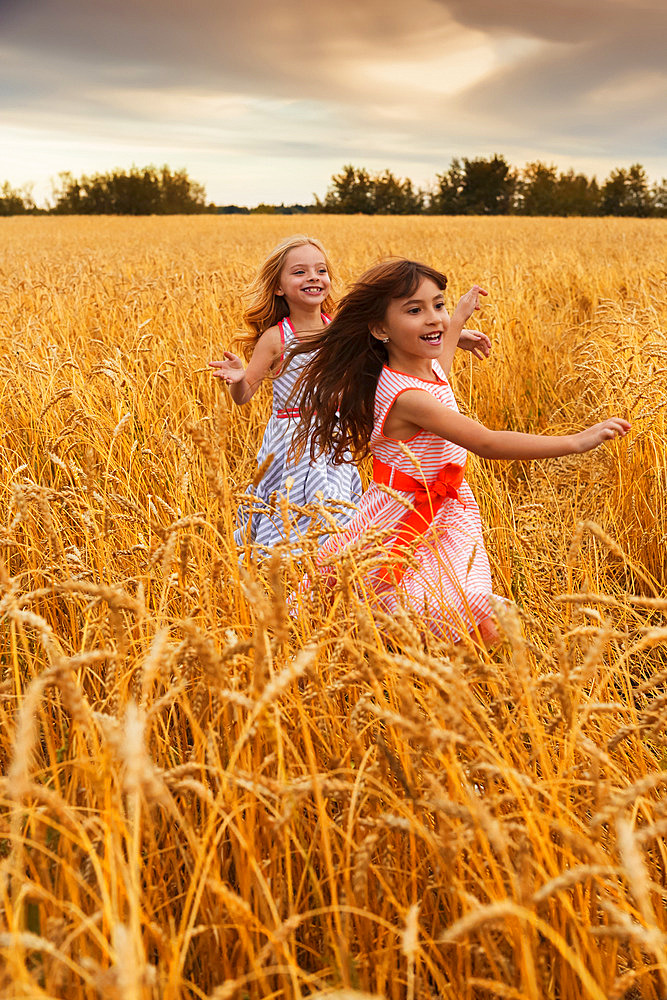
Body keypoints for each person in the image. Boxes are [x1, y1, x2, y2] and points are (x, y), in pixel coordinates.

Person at [289, 258, 630, 645]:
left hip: (440, 508)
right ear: (380, 327)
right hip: (411, 514)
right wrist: (575, 441)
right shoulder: (408, 397)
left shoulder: (420, 371)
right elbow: (485, 442)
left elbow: (441, 374)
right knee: (434, 604)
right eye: (415, 310)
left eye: (439, 305)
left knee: (430, 602)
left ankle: (429, 670)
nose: (434, 318)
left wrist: (459, 321)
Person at [210, 237, 492, 554]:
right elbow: (244, 394)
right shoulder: (276, 337)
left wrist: (452, 334)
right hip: (291, 441)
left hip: (334, 435)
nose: (313, 277)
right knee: (287, 510)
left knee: (337, 511)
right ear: (278, 287)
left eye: (320, 270)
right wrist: (238, 378)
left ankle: (329, 567)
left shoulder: (340, 331)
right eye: (299, 272)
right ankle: (285, 567)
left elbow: (396, 341)